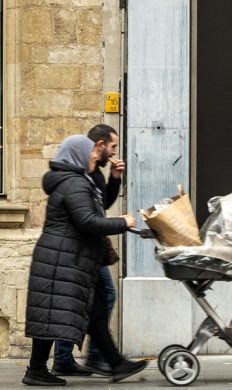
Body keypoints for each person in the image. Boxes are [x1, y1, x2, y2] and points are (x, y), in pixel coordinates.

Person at [22, 135, 147, 386]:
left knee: (88, 311)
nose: (94, 156)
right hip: (64, 259)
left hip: (69, 257)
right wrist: (123, 223)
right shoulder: (75, 184)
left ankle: (114, 363)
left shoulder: (75, 181)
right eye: (90, 152)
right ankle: (36, 370)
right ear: (78, 154)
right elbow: (88, 221)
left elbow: (92, 214)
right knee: (53, 313)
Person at [52, 125, 125, 377]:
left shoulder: (96, 174)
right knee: (93, 301)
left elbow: (102, 204)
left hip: (89, 248)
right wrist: (123, 223)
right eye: (113, 146)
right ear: (100, 144)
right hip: (80, 250)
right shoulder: (81, 173)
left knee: (87, 302)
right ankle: (96, 356)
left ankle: (71, 357)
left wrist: (115, 179)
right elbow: (88, 217)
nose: (114, 152)